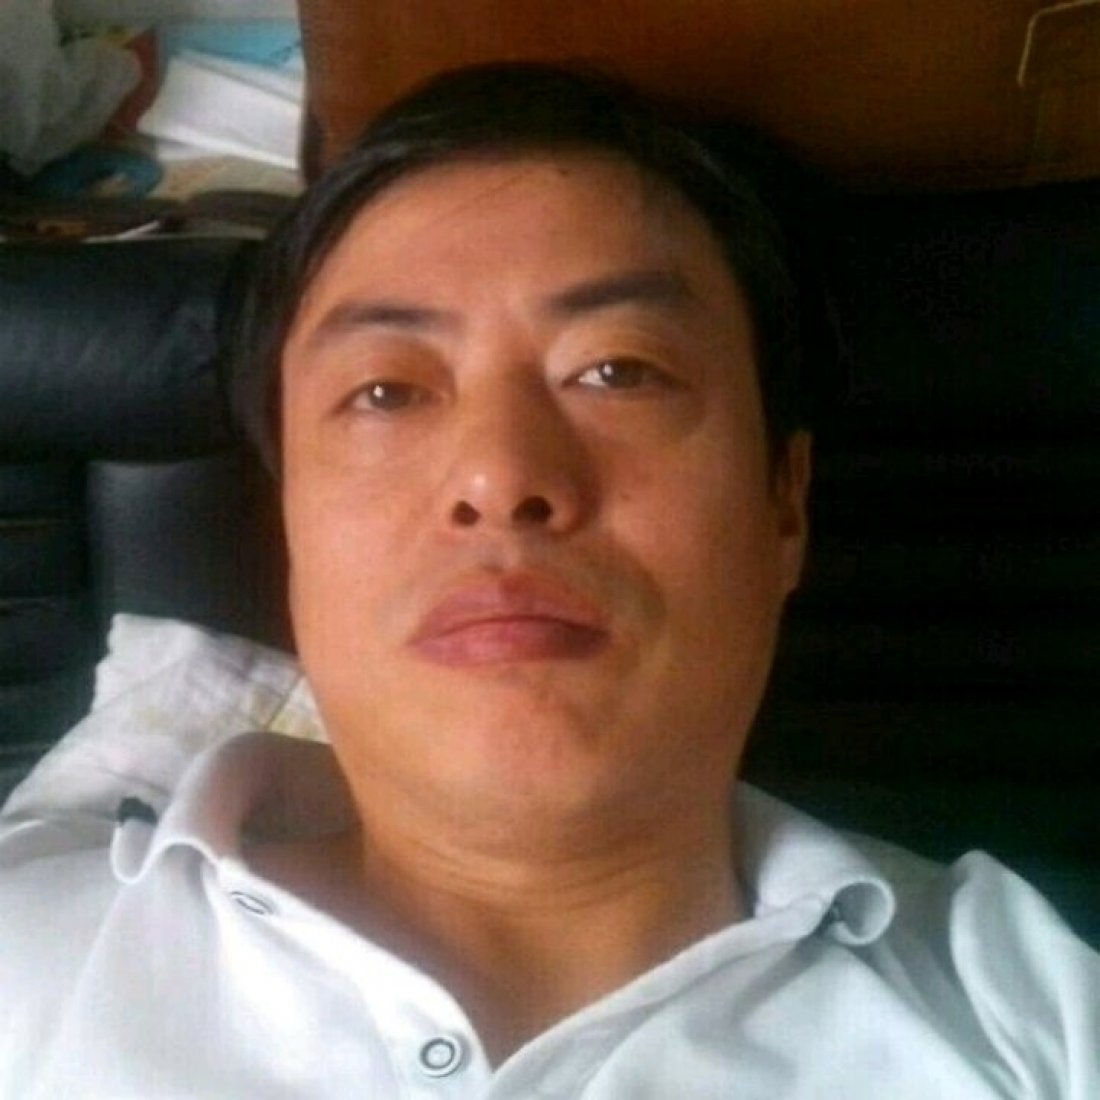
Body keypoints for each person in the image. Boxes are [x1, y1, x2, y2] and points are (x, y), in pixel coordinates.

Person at [1, 62, 1097, 1098]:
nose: (501, 477)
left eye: (618, 370)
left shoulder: (1032, 1016)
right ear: (289, 520)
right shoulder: (28, 960)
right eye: (385, 391)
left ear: (783, 505)